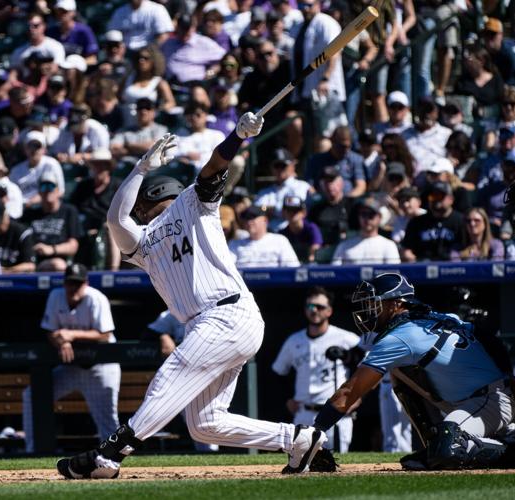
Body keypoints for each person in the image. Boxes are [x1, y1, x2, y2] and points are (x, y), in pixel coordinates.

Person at [57, 112, 326, 480]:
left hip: (227, 314)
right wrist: (139, 169)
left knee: (172, 374)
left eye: (140, 205)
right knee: (205, 424)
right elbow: (116, 221)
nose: (135, 211)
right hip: (214, 324)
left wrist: (236, 135)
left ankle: (111, 453)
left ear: (150, 198)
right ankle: (296, 438)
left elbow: (216, 164)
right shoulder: (144, 242)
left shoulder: (193, 203)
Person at [310, 273, 515, 470]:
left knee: (448, 449)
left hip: (487, 400)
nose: (369, 311)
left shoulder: (399, 337)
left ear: (396, 304)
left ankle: (513, 449)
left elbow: (349, 392)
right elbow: (491, 341)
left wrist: (313, 434)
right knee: (400, 370)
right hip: (475, 399)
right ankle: (438, 445)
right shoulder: (438, 317)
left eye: (375, 304)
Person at [23, 263, 120, 453]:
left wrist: (72, 335)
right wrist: (62, 342)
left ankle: (112, 457)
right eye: (70, 283)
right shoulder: (56, 296)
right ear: (64, 283)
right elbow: (50, 332)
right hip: (71, 367)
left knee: (107, 420)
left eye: (78, 283)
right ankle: (33, 450)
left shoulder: (96, 298)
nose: (73, 288)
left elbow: (105, 334)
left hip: (100, 368)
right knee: (30, 395)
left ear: (86, 283)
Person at [272, 287, 359, 452]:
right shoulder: (294, 340)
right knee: (298, 460)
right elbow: (278, 372)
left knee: (338, 465)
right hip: (304, 412)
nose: (314, 311)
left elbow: (368, 368)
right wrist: (287, 399)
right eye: (310, 306)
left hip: (336, 412)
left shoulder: (346, 338)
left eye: (320, 307)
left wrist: (358, 397)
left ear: (329, 311)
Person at [145, 309, 219, 452]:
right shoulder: (172, 312)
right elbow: (148, 334)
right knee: (196, 419)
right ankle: (208, 453)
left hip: (207, 364)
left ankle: (210, 453)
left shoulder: (214, 309)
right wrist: (163, 335)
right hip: (184, 369)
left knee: (207, 416)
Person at [23, 171, 81, 271]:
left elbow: (73, 246)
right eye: (43, 187)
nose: (47, 190)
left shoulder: (69, 211)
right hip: (32, 260)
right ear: (39, 192)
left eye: (50, 186)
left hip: (58, 260)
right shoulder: (30, 214)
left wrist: (51, 249)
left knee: (57, 264)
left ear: (58, 190)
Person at [401, 181, 467, 262]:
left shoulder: (462, 221)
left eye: (440, 196)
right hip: (423, 268)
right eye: (432, 196)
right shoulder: (416, 222)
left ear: (451, 199)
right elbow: (406, 250)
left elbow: (469, 248)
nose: (436, 199)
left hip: (453, 269)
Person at [254, 148, 311, 232]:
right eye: (277, 166)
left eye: (283, 165)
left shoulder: (302, 186)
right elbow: (256, 211)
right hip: (269, 234)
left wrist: (270, 209)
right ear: (271, 168)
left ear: (292, 165)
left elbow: (296, 210)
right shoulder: (264, 192)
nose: (280, 170)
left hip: (295, 232)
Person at [330, 198, 400, 265]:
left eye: (371, 215)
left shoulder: (388, 245)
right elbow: (334, 273)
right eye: (364, 214)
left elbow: (394, 274)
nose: (367, 219)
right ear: (359, 216)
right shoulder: (344, 246)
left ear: (379, 217)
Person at [161, 14, 226, 84]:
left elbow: (225, 58)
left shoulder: (203, 42)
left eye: (187, 29)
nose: (185, 32)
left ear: (193, 28)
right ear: (177, 27)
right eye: (182, 28)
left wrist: (210, 72)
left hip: (194, 86)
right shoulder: (168, 42)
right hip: (171, 84)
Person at [228, 205, 299, 268]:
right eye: (246, 218)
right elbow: (227, 269)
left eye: (253, 217)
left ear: (265, 220)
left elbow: (292, 268)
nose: (249, 221)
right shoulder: (235, 244)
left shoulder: (280, 240)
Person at [0, 197, 35, 274]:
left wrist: (6, 271)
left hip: (15, 279)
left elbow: (30, 266)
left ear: (5, 215)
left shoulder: (20, 232)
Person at [8, 131, 64, 206]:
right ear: (25, 149)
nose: (33, 150)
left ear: (44, 149)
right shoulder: (16, 170)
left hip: (45, 206)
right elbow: (11, 195)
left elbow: (60, 191)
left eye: (37, 146)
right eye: (30, 146)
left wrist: (37, 200)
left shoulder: (51, 164)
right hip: (22, 208)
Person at [106, 0, 173, 51]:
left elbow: (164, 35)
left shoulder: (157, 9)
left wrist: (151, 50)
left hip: (150, 51)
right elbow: (113, 33)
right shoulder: (119, 12)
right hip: (126, 51)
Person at [280, 195, 322, 264]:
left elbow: (314, 252)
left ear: (304, 213)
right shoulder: (282, 234)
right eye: (289, 210)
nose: (292, 213)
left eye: (296, 210)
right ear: (283, 213)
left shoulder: (311, 228)